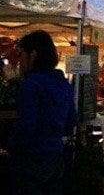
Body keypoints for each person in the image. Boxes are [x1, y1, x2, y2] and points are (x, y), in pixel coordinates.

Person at [8, 30, 77, 194]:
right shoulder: (62, 83)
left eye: (22, 54)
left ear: (33, 54)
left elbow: (27, 126)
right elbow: (71, 122)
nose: (20, 60)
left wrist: (12, 146)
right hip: (56, 158)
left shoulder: (31, 85)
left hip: (32, 159)